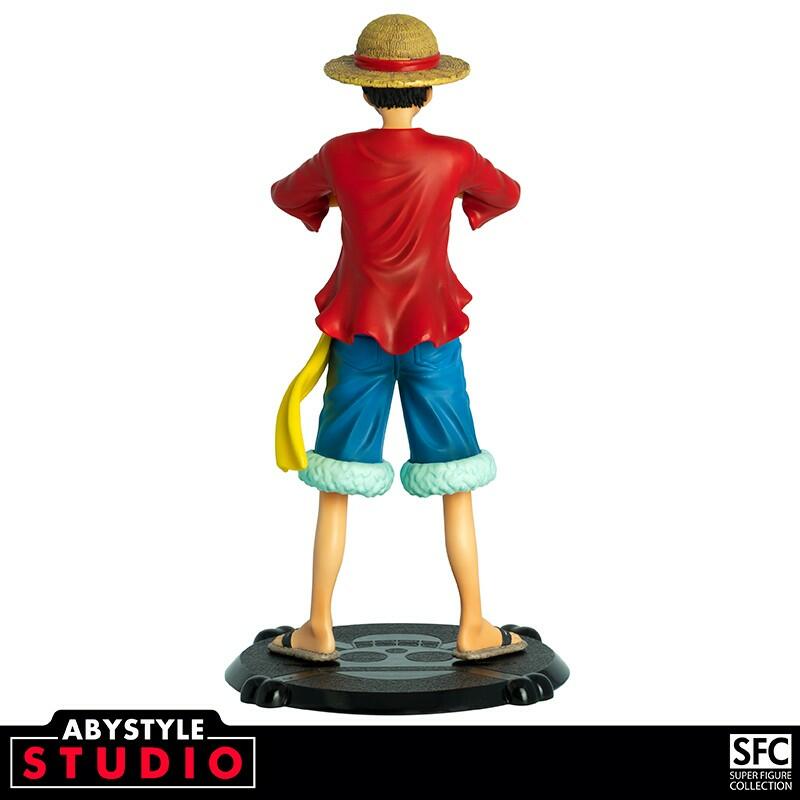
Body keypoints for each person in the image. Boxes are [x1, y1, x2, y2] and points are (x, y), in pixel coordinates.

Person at [268, 14, 526, 662]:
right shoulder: (453, 156)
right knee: (456, 478)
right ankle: (473, 624)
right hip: (432, 336)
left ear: (363, 90)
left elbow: (285, 195)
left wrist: (337, 200)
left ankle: (318, 626)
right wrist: (454, 197)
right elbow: (507, 194)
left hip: (357, 333)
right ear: (431, 91)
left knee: (335, 480)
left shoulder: (339, 155)